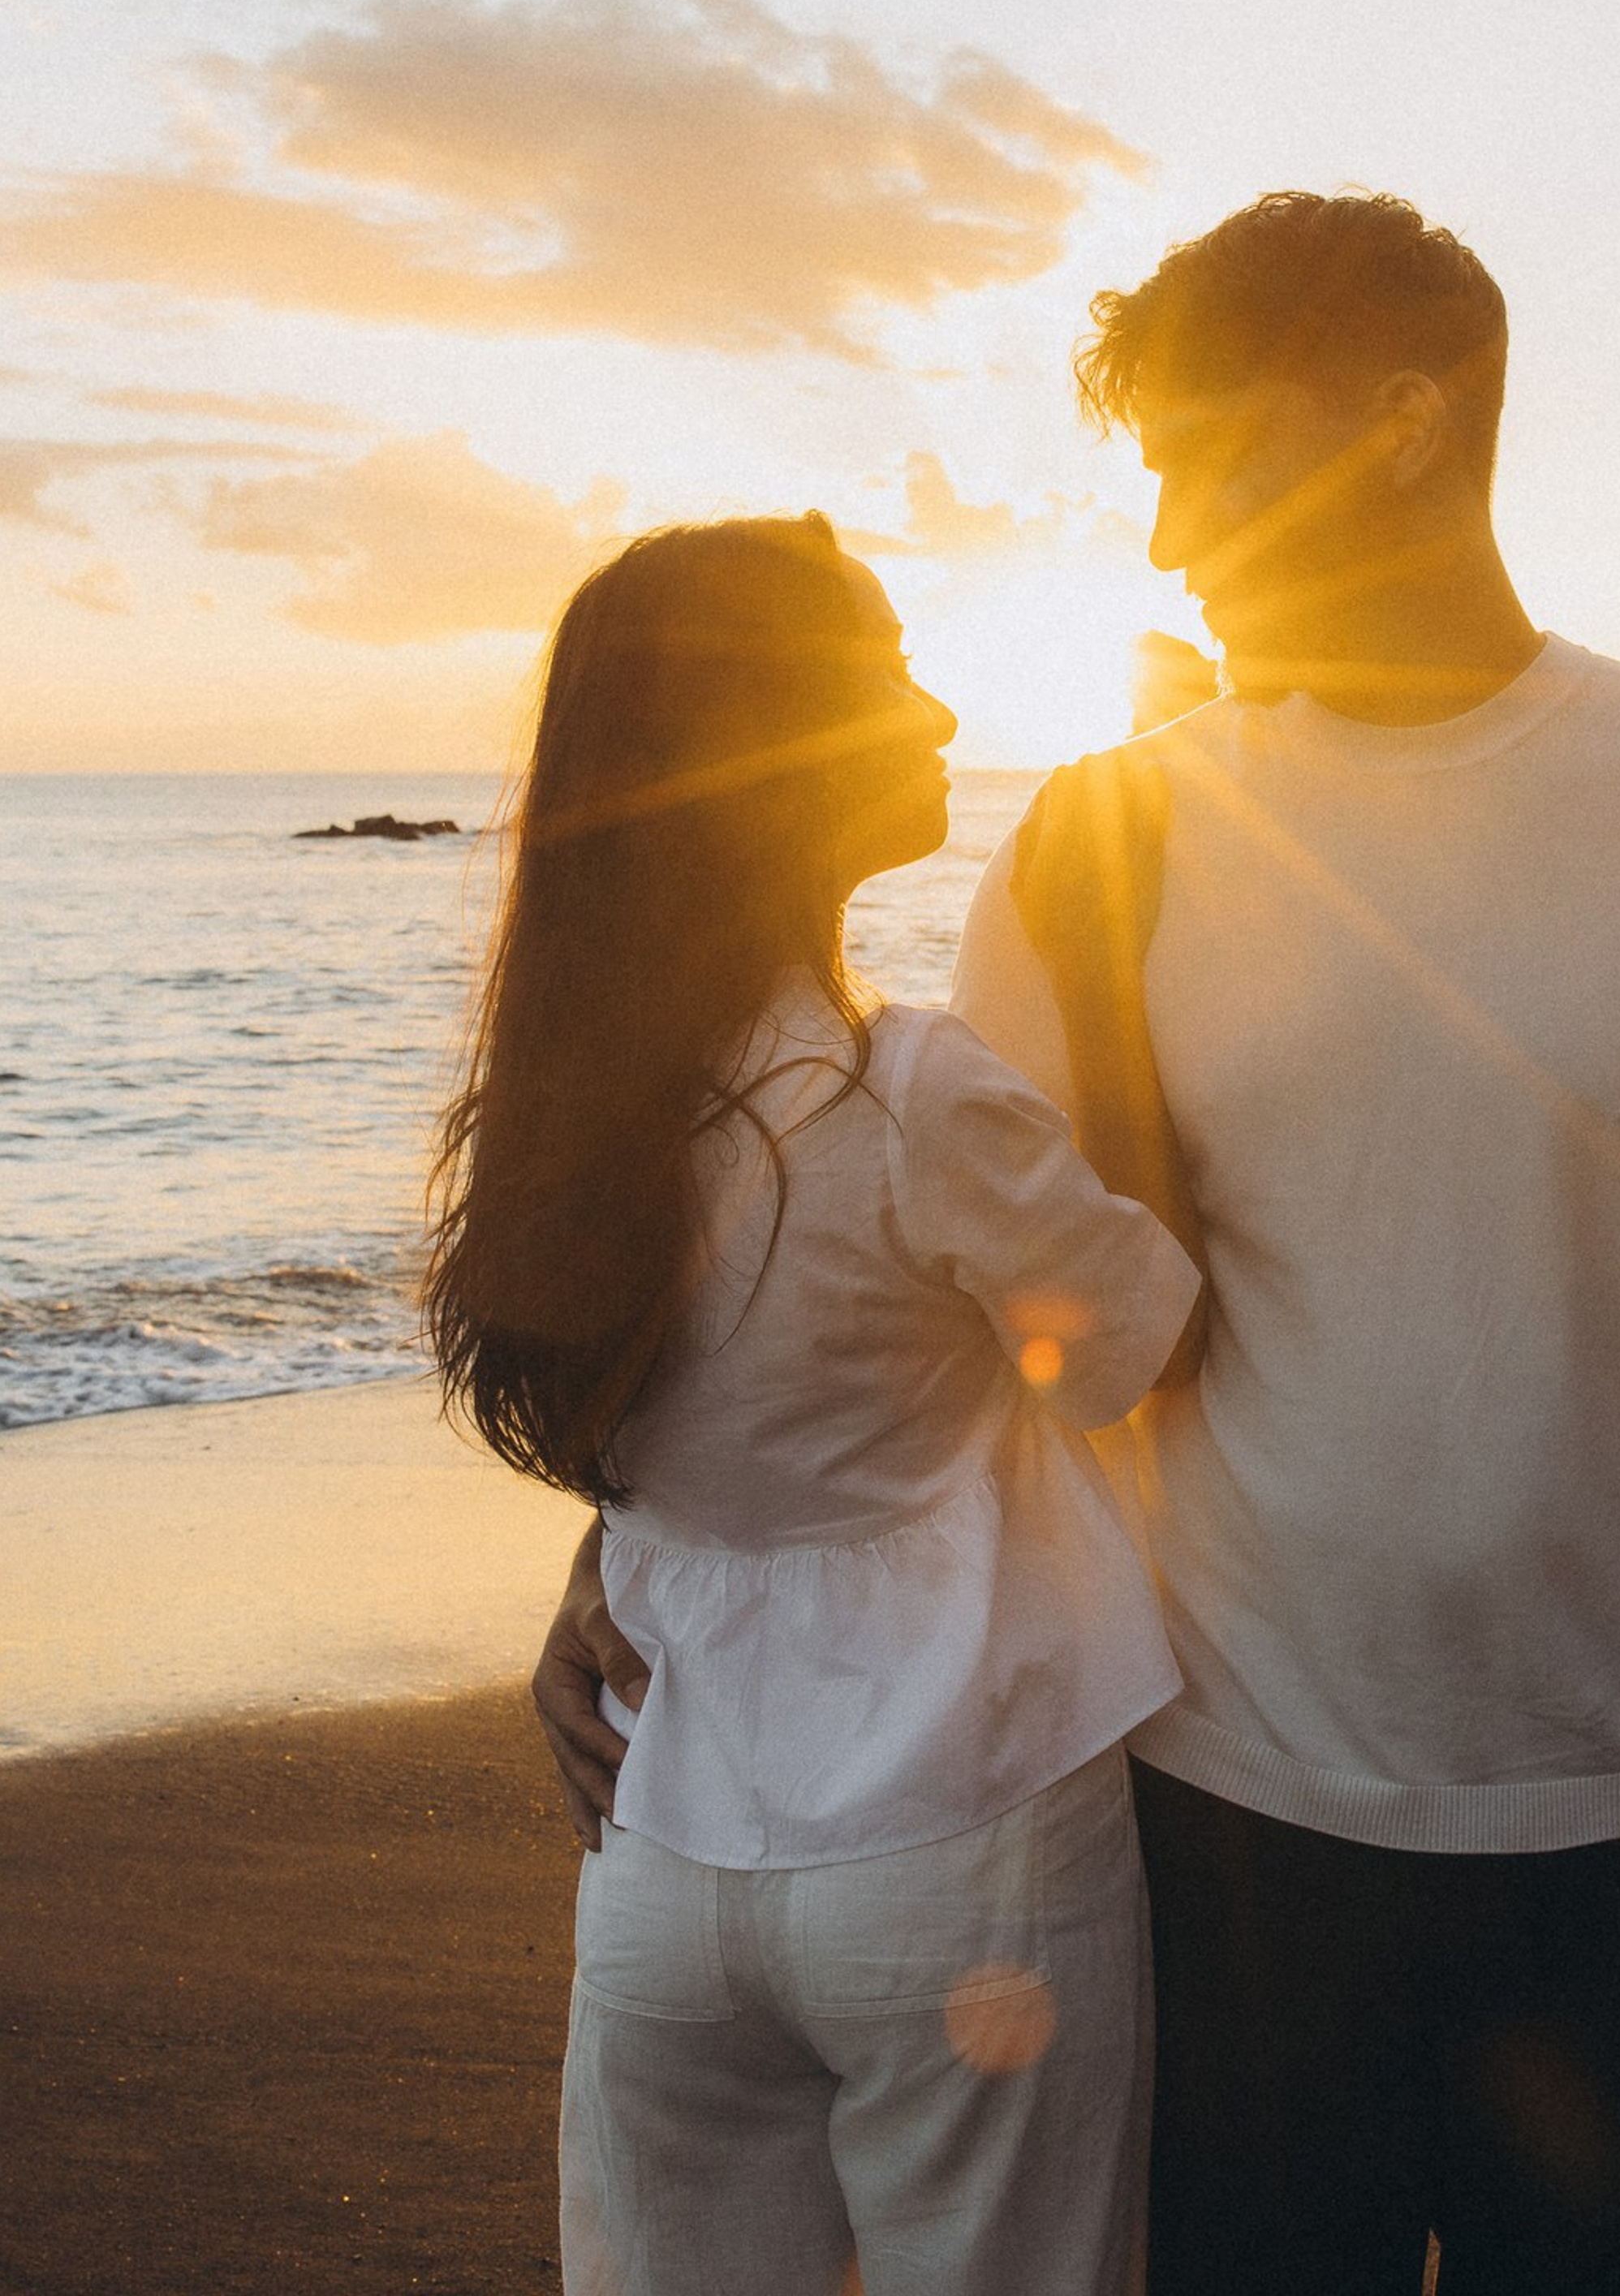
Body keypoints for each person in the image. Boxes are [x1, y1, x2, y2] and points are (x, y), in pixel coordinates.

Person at [535, 196, 1620, 2294]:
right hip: (1214, 1829)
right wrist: (647, 1539)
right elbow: (938, 1322)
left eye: (1202, 454)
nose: (1170, 533)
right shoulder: (1107, 840)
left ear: (1393, 428)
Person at [427, 515, 1203, 2296]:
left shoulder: (565, 1114)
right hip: (957, 1823)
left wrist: (602, 1559)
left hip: (663, 1833)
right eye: (882, 669)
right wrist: (1109, 986)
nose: (935, 710)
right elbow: (1132, 1341)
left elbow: (668, 1430)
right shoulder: (907, 1086)